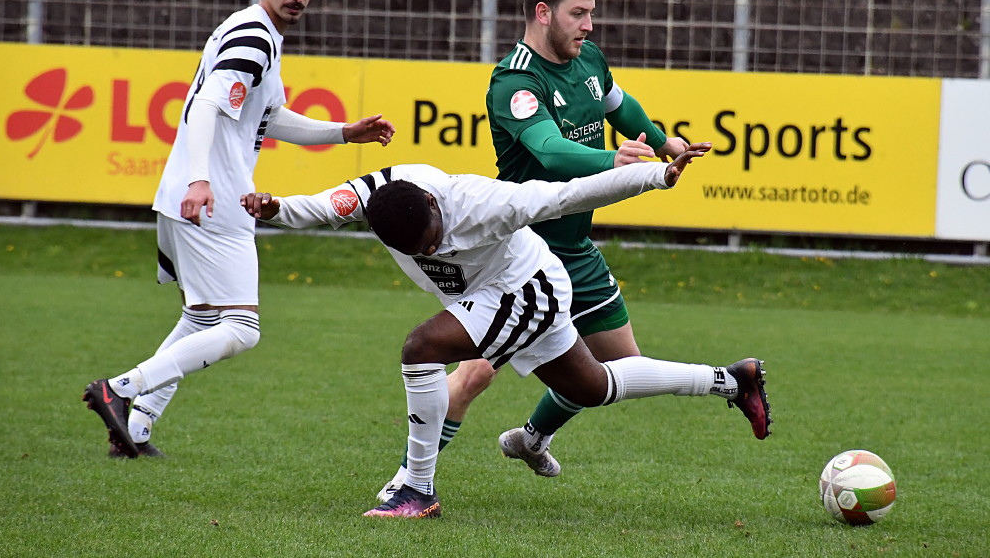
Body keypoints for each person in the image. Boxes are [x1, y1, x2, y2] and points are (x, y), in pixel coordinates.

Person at [239, 144, 771, 518]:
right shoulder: (373, 199)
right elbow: (317, 208)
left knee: (421, 349)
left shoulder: (480, 203)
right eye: (419, 251)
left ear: (433, 205)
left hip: (525, 288)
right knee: (593, 386)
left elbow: (569, 195)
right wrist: (274, 208)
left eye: (433, 238)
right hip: (507, 296)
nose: (432, 250)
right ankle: (730, 380)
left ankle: (416, 489)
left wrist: (655, 176)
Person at [375, 0, 731, 500]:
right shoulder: (515, 82)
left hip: (575, 248)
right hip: (519, 256)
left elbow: (620, 105)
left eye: (591, 12)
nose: (589, 24)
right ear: (543, 13)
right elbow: (548, 149)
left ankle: (532, 438)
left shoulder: (587, 59)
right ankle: (410, 483)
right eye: (578, 13)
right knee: (474, 375)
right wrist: (611, 161)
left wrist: (663, 142)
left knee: (620, 367)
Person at [82, 0, 395, 459]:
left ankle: (136, 428)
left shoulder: (256, 32)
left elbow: (270, 118)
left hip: (194, 192)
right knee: (242, 329)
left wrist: (344, 132)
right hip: (215, 198)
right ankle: (120, 388)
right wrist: (201, 179)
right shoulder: (253, 36)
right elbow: (207, 105)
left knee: (203, 319)